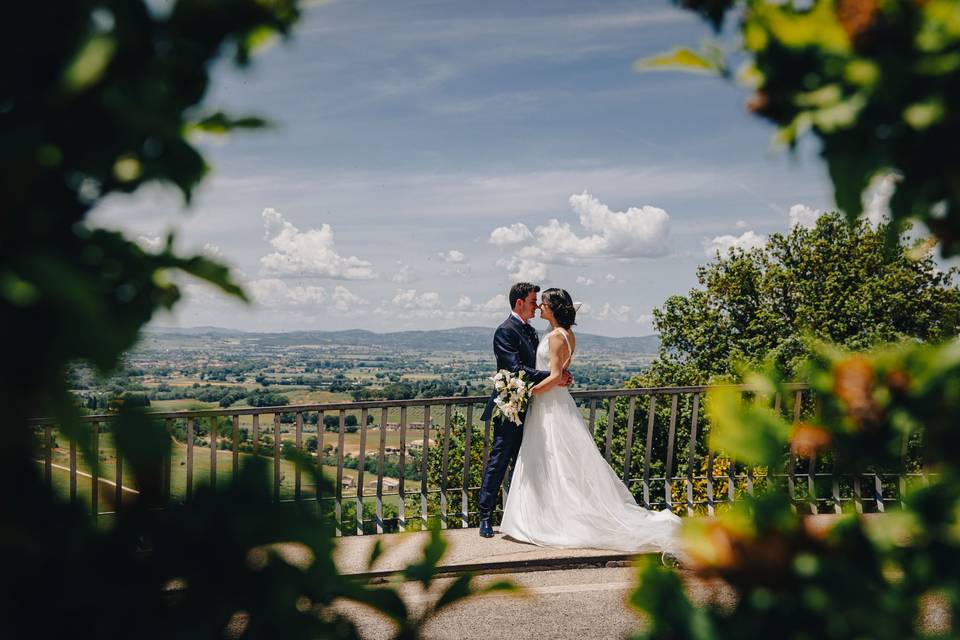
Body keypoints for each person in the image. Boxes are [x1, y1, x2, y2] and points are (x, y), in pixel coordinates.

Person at [498, 287, 683, 557]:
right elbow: (562, 374)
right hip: (557, 403)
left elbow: (555, 375)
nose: (540, 308)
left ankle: (547, 518)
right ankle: (545, 513)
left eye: (544, 304)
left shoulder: (555, 337)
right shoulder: (567, 334)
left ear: (553, 309)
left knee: (550, 459)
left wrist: (527, 392)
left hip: (549, 405)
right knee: (555, 460)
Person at [477, 282, 572, 538]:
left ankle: (532, 515)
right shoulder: (504, 332)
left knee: (533, 460)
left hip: (535, 404)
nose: (537, 306)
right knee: (500, 459)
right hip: (512, 406)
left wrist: (555, 376)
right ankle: (485, 516)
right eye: (533, 301)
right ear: (519, 303)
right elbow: (516, 369)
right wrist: (555, 376)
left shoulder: (530, 331)